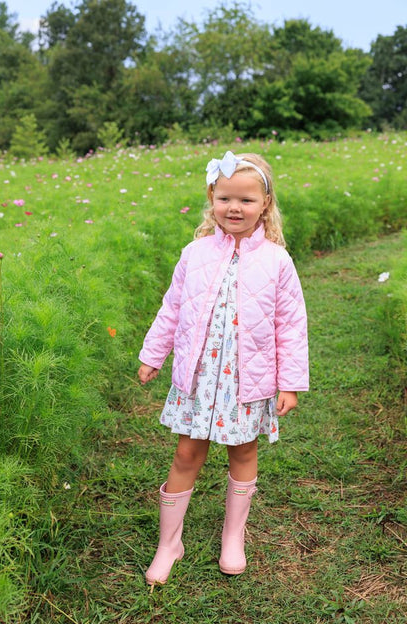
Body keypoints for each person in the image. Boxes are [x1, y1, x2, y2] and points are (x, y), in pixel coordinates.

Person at [138, 150, 309, 586]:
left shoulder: (276, 261)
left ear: (265, 205)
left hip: (246, 383)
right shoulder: (195, 253)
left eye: (246, 201)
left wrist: (289, 382)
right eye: (225, 198)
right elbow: (172, 307)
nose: (235, 208)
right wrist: (152, 354)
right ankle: (168, 543)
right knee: (186, 453)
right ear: (212, 197)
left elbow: (291, 324)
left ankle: (233, 537)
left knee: (243, 451)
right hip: (197, 379)